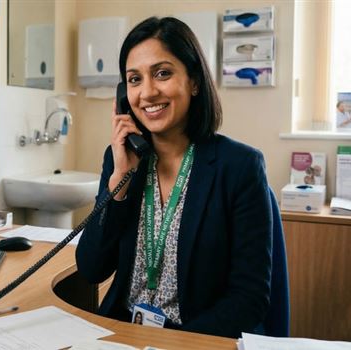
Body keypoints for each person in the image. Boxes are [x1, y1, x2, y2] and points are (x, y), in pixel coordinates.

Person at [75, 17, 273, 339]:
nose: (148, 93)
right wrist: (120, 181)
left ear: (194, 81)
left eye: (162, 73)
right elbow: (91, 268)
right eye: (134, 80)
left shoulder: (239, 167)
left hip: (195, 339)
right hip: (124, 333)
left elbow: (250, 299)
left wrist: (171, 345)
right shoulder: (121, 160)